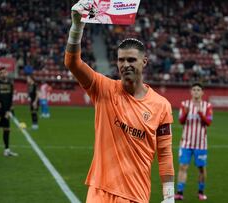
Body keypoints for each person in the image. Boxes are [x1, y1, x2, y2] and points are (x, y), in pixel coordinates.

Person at [64, 1, 175, 202]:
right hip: (100, 191)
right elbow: (73, 63)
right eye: (121, 60)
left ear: (144, 62)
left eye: (131, 60)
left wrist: (168, 196)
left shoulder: (162, 106)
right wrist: (77, 27)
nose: (125, 65)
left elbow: (165, 153)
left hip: (136, 195)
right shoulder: (103, 88)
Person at [174, 83, 213, 201]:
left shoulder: (207, 105)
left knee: (201, 168)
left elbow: (209, 122)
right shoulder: (184, 104)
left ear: (202, 93)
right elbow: (180, 121)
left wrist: (201, 113)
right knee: (182, 166)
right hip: (186, 143)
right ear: (191, 92)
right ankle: (179, 192)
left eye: (198, 90)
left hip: (201, 144)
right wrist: (185, 113)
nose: (196, 92)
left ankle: (201, 192)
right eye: (194, 90)